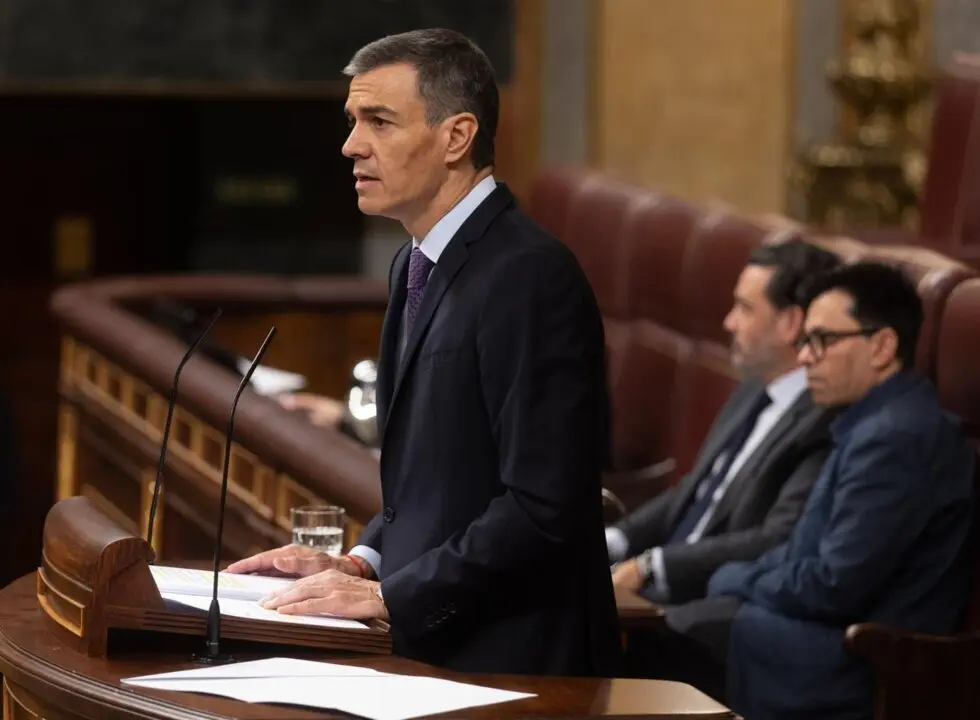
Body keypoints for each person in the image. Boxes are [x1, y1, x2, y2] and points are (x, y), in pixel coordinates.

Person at [227, 28, 622, 676]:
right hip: (441, 648)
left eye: (379, 122)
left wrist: (392, 596)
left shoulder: (528, 276)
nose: (351, 145)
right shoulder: (415, 263)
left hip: (516, 667)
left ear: (457, 137)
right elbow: (432, 484)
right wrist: (362, 563)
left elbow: (543, 507)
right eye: (353, 121)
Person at [707, 262, 975, 719]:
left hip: (863, 666)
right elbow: (805, 551)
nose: (805, 357)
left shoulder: (896, 438)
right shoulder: (873, 422)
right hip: (821, 639)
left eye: (823, 340)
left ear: (882, 346)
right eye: (805, 341)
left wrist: (739, 580)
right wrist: (736, 576)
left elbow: (835, 585)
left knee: (662, 640)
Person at [607, 240, 839, 692]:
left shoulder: (821, 420)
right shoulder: (753, 387)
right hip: (647, 585)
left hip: (707, 604)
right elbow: (694, 489)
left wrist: (655, 565)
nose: (729, 322)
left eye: (744, 309)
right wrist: (616, 539)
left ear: (791, 323)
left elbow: (774, 538)